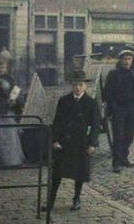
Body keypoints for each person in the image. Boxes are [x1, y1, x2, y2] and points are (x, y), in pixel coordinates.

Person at [44, 70, 100, 211]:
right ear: (71, 85)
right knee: (56, 173)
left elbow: (95, 125)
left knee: (79, 173)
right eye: (75, 85)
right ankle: (50, 201)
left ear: (85, 86)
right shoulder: (64, 101)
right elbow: (57, 122)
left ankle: (76, 198)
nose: (77, 88)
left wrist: (92, 143)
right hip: (64, 142)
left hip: (81, 143)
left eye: (80, 85)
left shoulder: (91, 103)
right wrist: (55, 140)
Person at [103, 49, 134, 173]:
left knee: (129, 136)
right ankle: (116, 162)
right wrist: (114, 107)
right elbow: (107, 92)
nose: (127, 62)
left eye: (129, 59)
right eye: (125, 59)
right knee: (118, 136)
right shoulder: (113, 74)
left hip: (132, 109)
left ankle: (124, 158)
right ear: (120, 60)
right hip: (119, 109)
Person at [0, 58, 25, 167]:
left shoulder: (10, 79)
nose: (1, 70)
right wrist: (5, 104)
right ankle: (3, 162)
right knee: (1, 137)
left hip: (10, 112)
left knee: (12, 136)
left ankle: (14, 161)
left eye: (3, 67)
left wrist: (16, 101)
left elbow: (17, 91)